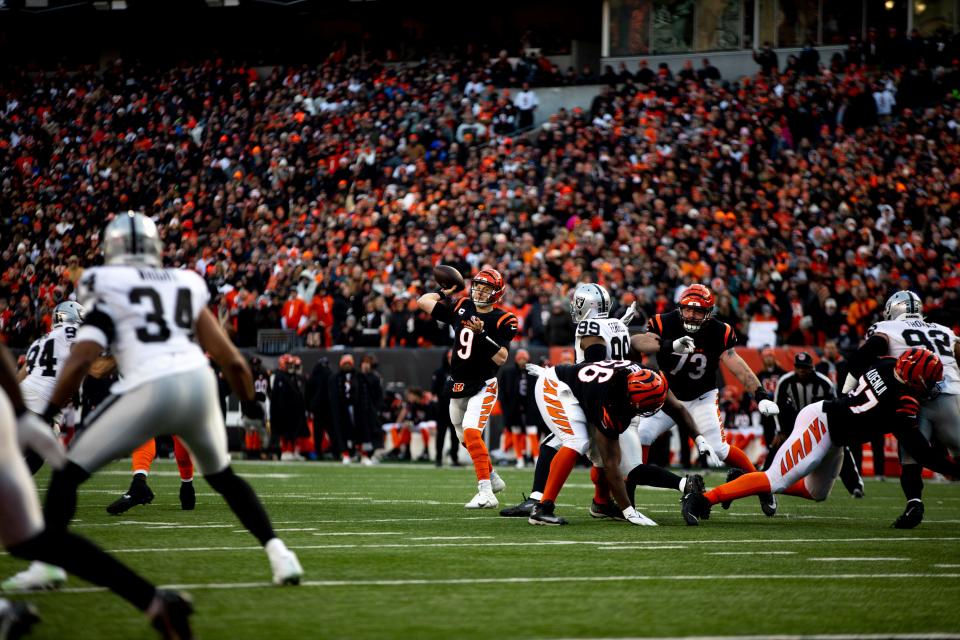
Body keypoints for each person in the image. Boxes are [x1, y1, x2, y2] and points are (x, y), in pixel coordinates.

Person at [32, 212, 303, 588]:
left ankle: (48, 564)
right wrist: (251, 404)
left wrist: (45, 413)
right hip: (197, 382)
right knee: (224, 477)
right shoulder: (185, 281)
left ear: (112, 249)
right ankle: (280, 554)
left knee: (66, 475)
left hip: (148, 385)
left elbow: (81, 358)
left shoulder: (102, 281)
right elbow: (231, 359)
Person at [0, 342, 194, 638]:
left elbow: (86, 367)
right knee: (28, 540)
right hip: (19, 411)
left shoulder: (51, 337)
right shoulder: (76, 333)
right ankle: (153, 601)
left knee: (34, 532)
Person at [682, 348, 960, 526]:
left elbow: (858, 360)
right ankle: (704, 499)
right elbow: (918, 449)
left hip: (835, 430)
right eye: (930, 379)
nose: (933, 385)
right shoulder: (903, 401)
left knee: (816, 492)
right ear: (916, 379)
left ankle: (745, 480)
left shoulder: (888, 363)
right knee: (775, 478)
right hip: (823, 423)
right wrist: (950, 467)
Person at [631, 284, 781, 515]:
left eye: (698, 311)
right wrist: (670, 344)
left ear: (709, 312)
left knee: (719, 449)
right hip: (666, 397)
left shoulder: (718, 331)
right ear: (680, 308)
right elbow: (639, 342)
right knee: (640, 437)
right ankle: (628, 501)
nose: (691, 315)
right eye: (688, 310)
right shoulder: (665, 321)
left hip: (701, 397)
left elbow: (736, 365)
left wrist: (760, 393)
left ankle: (762, 485)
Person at [500, 283, 631, 517]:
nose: (574, 307)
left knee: (565, 445)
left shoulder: (589, 326)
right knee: (586, 454)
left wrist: (557, 373)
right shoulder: (617, 324)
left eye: (578, 303)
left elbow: (594, 367)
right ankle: (599, 503)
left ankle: (542, 501)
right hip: (612, 396)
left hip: (593, 395)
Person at [844, 291, 960, 528]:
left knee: (911, 456)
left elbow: (863, 356)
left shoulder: (887, 328)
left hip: (913, 398)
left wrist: (846, 390)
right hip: (951, 394)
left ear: (891, 310)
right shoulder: (944, 330)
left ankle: (914, 502)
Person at [524, 360, 668, 526]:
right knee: (577, 441)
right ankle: (542, 508)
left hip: (582, 388)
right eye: (648, 405)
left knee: (599, 454)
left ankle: (602, 503)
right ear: (631, 399)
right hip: (556, 386)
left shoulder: (643, 375)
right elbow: (611, 463)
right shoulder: (611, 399)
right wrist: (629, 511)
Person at [417, 268, 515, 508]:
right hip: (458, 382)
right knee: (464, 437)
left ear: (497, 293)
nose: (480, 291)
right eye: (478, 286)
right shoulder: (462, 305)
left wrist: (482, 335)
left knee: (472, 432)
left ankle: (486, 492)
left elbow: (501, 358)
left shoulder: (504, 319)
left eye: (486, 288)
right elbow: (423, 301)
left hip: (483, 384)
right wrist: (443, 292)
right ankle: (492, 476)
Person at [498, 349, 540, 468]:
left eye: (524, 359)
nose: (522, 361)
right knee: (516, 432)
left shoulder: (534, 372)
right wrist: (506, 407)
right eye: (520, 359)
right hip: (513, 408)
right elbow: (503, 391)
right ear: (516, 359)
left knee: (532, 432)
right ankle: (519, 459)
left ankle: (536, 458)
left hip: (530, 407)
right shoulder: (508, 372)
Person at [271, 354, 309, 461]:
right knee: (284, 432)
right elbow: (278, 397)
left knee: (293, 431)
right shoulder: (279, 376)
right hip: (283, 410)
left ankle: (291, 451)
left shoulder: (291, 376)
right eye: (289, 364)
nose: (291, 366)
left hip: (292, 409)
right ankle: (285, 451)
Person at [756, 347, 785, 470]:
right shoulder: (760, 375)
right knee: (768, 436)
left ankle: (782, 461)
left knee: (782, 436)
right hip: (767, 411)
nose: (768, 358)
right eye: (766, 356)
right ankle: (772, 463)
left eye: (770, 356)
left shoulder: (782, 373)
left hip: (780, 410)